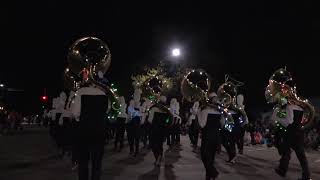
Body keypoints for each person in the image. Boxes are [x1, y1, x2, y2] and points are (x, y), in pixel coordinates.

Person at [266, 68, 312, 180]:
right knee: (301, 156)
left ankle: (282, 170)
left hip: (290, 133)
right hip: (299, 133)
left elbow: (288, 121)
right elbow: (303, 119)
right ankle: (306, 175)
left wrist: (277, 119)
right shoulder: (301, 106)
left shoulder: (288, 106)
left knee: (286, 153)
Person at [71, 82, 108, 180]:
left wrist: (81, 119)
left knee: (83, 161)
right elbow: (106, 111)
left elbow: (75, 113)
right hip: (99, 130)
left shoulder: (81, 92)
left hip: (84, 130)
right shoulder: (103, 94)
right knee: (97, 162)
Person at [198, 93, 224, 180]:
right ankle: (209, 176)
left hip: (207, 136)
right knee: (211, 158)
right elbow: (222, 124)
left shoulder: (205, 110)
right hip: (216, 137)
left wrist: (198, 113)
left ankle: (214, 173)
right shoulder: (220, 111)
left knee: (204, 156)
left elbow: (202, 125)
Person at [148, 96, 170, 166]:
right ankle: (159, 157)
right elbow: (168, 120)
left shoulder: (154, 108)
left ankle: (157, 158)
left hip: (154, 129)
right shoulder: (167, 110)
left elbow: (150, 120)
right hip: (163, 129)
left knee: (153, 144)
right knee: (160, 144)